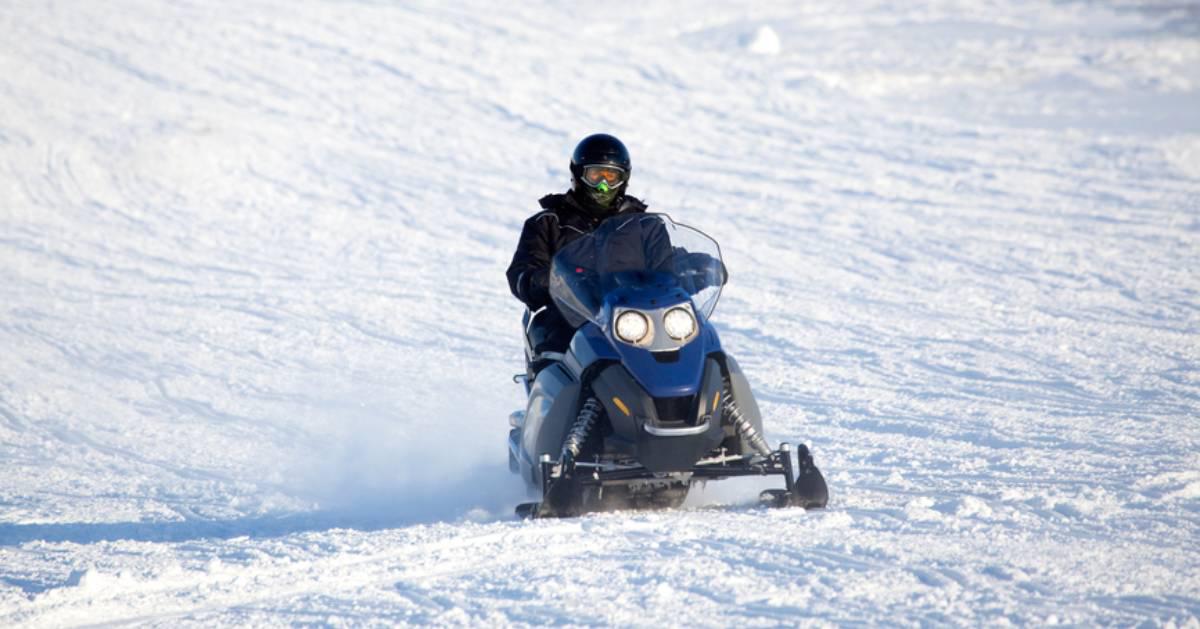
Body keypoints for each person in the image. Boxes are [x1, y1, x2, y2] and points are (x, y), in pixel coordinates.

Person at [506, 133, 647, 357]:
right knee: (556, 350)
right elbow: (522, 273)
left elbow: (666, 262)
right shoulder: (548, 223)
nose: (603, 186)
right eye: (595, 176)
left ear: (624, 179)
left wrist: (695, 266)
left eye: (611, 177)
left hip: (636, 320)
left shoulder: (642, 226)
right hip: (570, 318)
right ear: (578, 175)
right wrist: (548, 280)